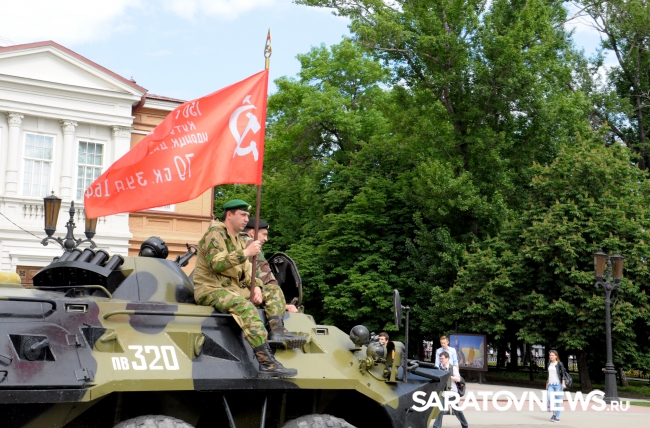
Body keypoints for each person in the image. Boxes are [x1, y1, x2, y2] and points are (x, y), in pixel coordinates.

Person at [193, 199, 304, 378]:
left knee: (273, 291)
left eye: (248, 215)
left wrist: (257, 286)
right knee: (245, 307)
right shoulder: (215, 234)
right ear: (229, 215)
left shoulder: (238, 239)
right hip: (210, 289)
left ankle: (277, 331)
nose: (246, 219)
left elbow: (248, 270)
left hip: (232, 289)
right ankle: (266, 362)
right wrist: (246, 253)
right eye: (243, 215)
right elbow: (216, 264)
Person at [240, 218, 298, 313]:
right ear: (252, 233)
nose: (266, 239)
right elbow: (266, 277)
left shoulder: (233, 240)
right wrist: (281, 303)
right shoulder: (250, 244)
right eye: (264, 234)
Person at [432, 351, 468, 428]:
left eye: (442, 358)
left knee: (457, 411)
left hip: (452, 393)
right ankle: (436, 426)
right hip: (443, 393)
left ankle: (465, 425)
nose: (441, 360)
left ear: (447, 358)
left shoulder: (452, 368)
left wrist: (449, 376)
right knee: (440, 410)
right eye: (440, 358)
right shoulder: (439, 368)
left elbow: (458, 379)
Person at [546, 350, 567, 423]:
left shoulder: (559, 364)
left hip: (558, 385)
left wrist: (563, 383)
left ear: (556, 356)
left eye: (552, 355)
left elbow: (563, 374)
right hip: (550, 385)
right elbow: (548, 375)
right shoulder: (549, 364)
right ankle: (554, 414)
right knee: (549, 399)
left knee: (558, 401)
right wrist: (547, 384)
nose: (551, 356)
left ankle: (557, 417)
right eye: (550, 355)